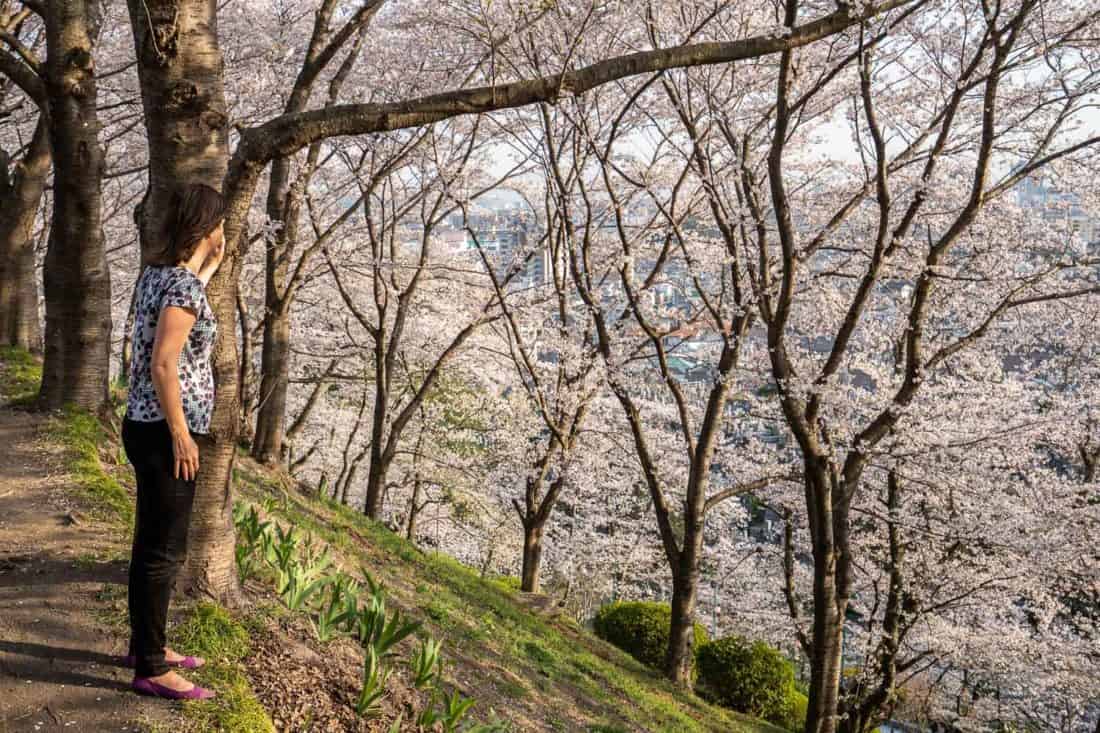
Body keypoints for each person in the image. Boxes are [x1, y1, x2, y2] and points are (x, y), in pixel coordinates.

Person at [119, 182, 226, 700]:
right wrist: (183, 436)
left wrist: (206, 268)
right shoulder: (181, 289)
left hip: (143, 425)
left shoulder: (159, 277)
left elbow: (183, 302)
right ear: (207, 228)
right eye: (220, 224)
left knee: (150, 543)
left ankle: (144, 647)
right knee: (164, 550)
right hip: (166, 433)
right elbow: (165, 363)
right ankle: (153, 668)